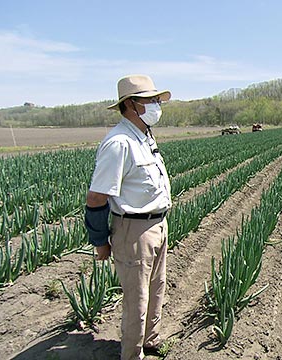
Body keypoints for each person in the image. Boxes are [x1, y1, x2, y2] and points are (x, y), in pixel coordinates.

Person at [84, 74, 172, 360]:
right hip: (134, 231)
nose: (158, 105)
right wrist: (100, 241)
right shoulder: (119, 144)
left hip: (157, 225)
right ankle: (132, 355)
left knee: (157, 288)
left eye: (157, 99)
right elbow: (96, 198)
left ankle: (151, 339)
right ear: (131, 105)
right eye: (152, 100)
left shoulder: (143, 136)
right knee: (137, 300)